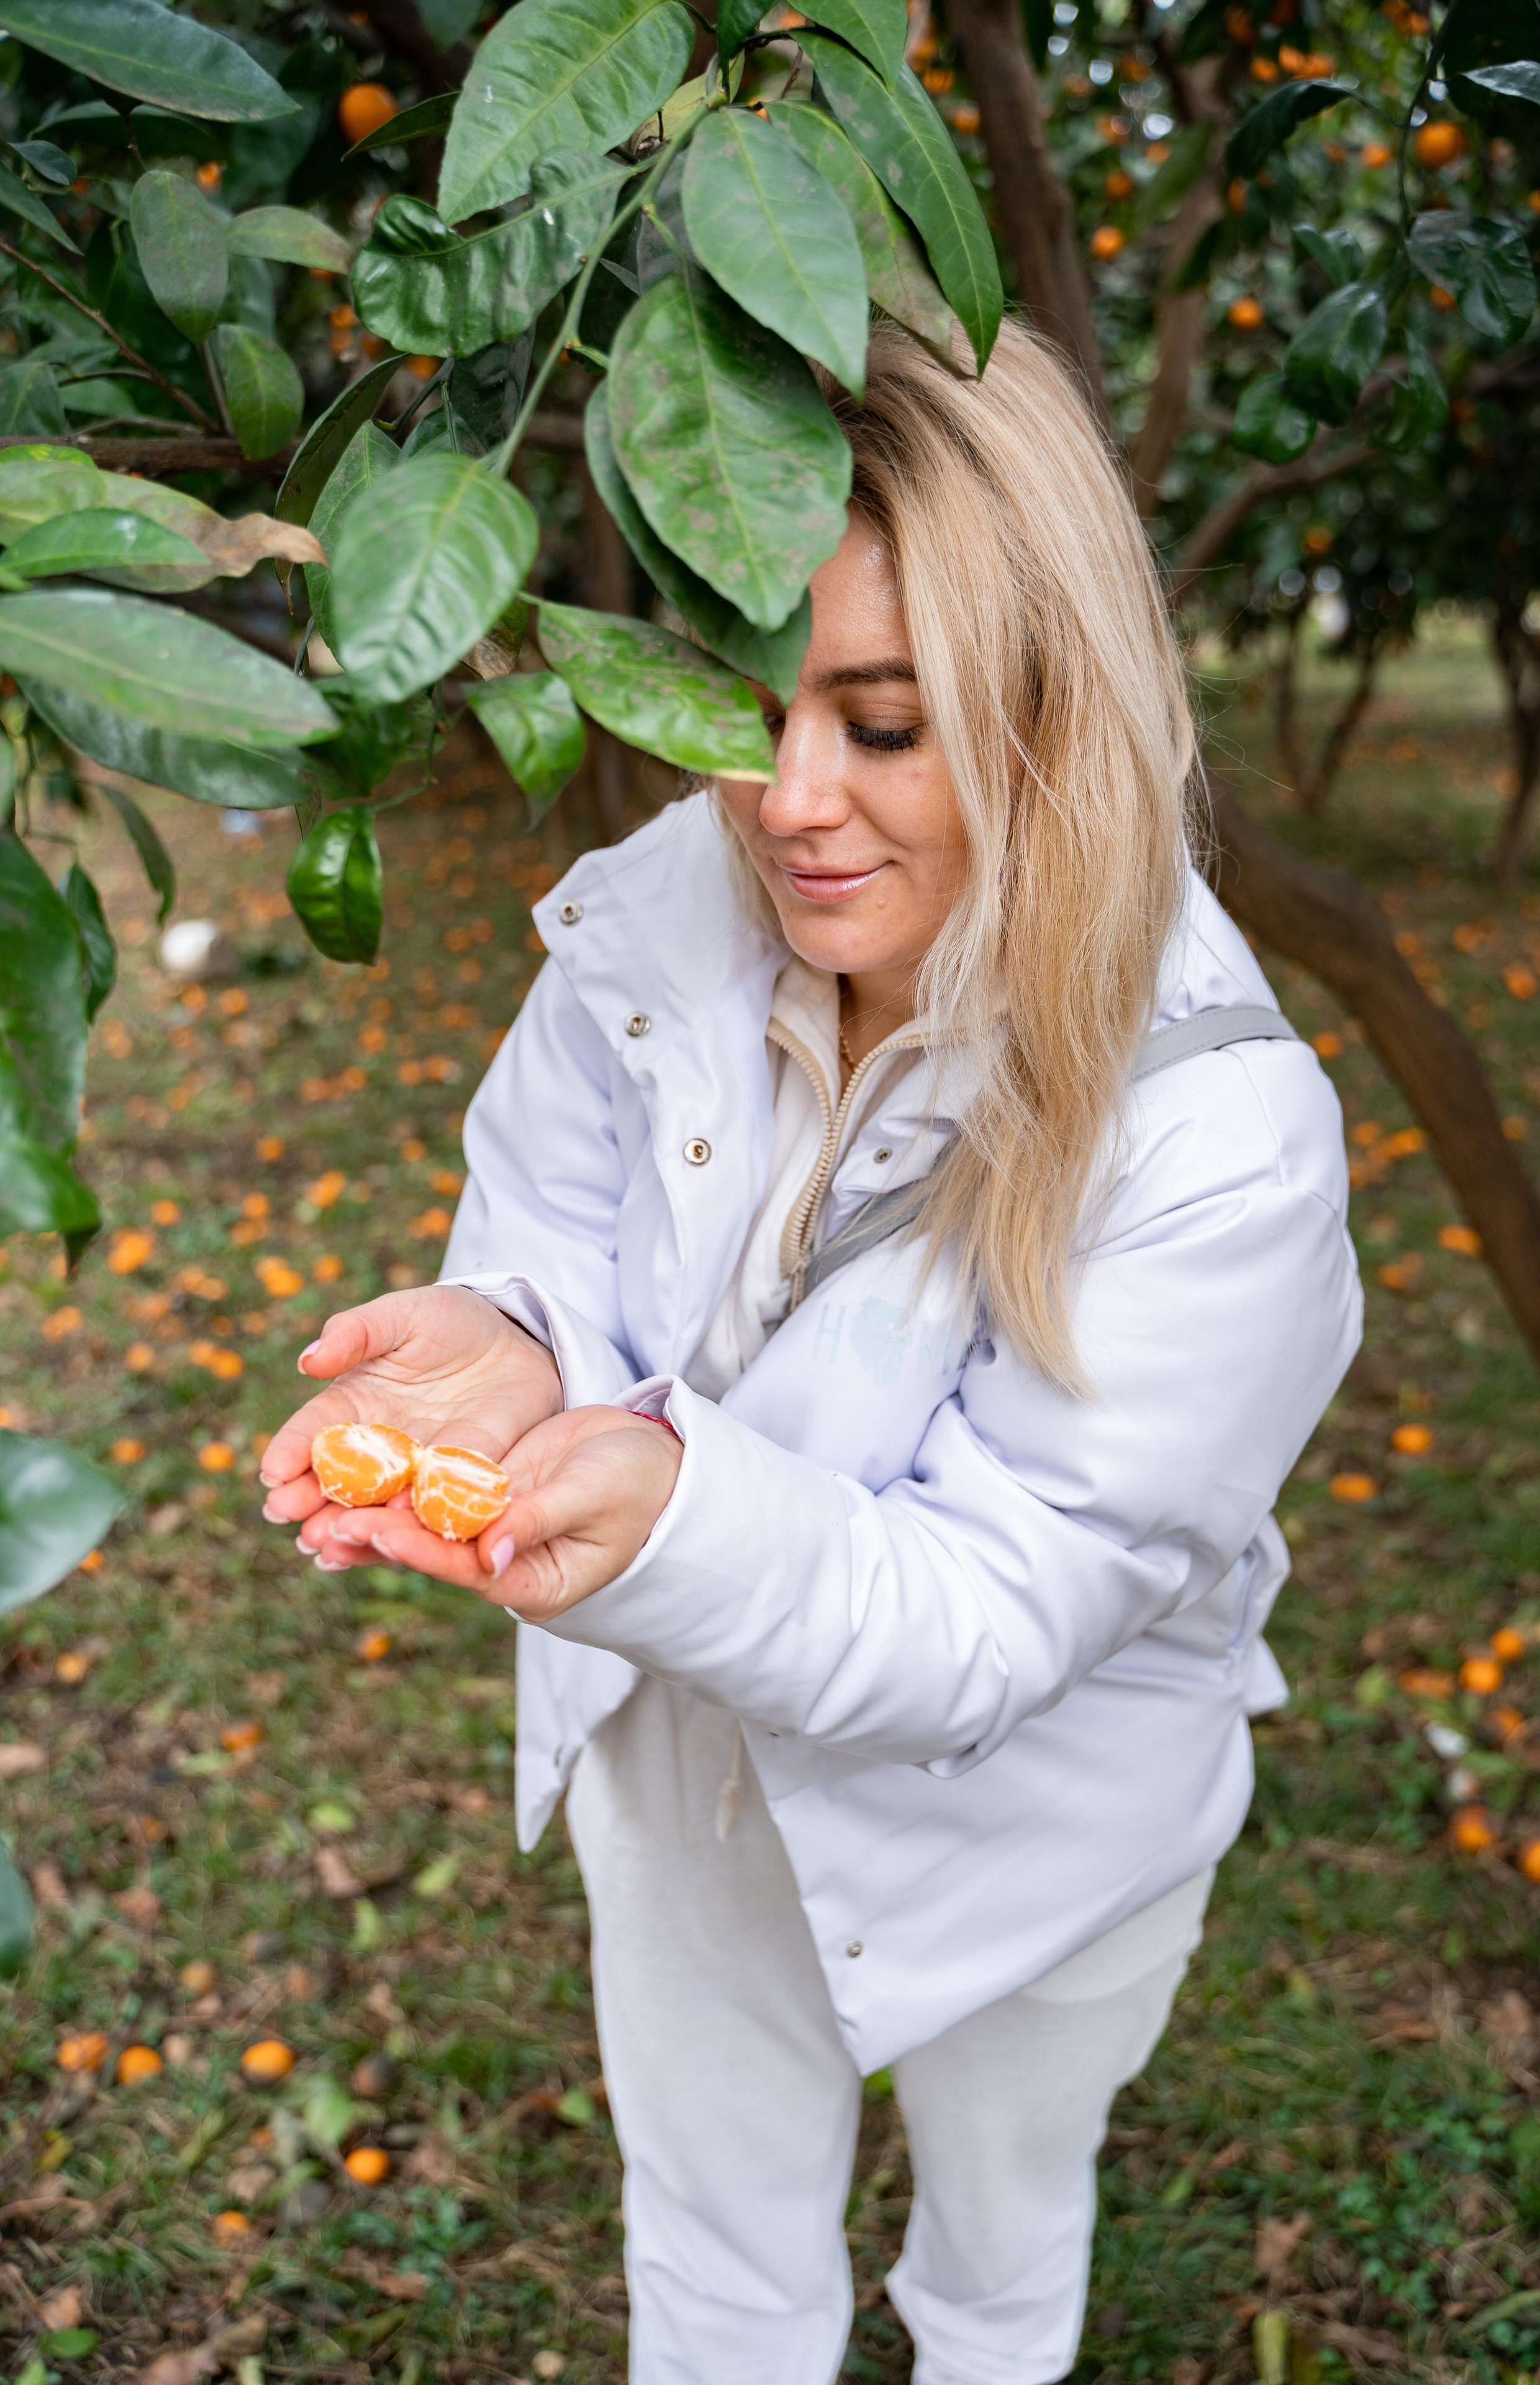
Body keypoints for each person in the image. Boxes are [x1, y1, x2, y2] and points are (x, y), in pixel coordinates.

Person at [260, 319, 1362, 2385]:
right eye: (749, 708)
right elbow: (560, 1225)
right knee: (714, 2271)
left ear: (1058, 710)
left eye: (882, 725)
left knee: (1001, 2269)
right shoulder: (664, 909)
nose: (785, 801)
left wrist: (669, 1509)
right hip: (681, 1748)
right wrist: (507, 1339)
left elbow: (986, 1609)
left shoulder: (1218, 1140)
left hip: (1045, 1827)